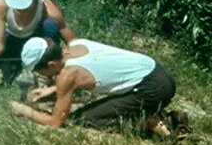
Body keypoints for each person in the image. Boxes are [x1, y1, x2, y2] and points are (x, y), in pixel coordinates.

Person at [10, 37, 176, 130]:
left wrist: (25, 111)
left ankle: (152, 122)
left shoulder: (68, 76)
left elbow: (56, 122)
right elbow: (88, 78)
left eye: (40, 71)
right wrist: (53, 89)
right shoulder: (76, 44)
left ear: (51, 65)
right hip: (158, 72)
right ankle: (151, 113)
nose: (40, 75)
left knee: (82, 119)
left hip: (152, 88)